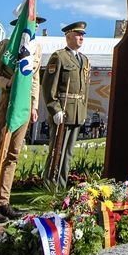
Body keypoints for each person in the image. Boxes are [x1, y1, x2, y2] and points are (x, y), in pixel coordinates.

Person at [0, 16, 43, 223]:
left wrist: (34, 105)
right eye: (32, 24)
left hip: (24, 104)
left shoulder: (36, 48)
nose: (34, 27)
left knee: (13, 154)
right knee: (0, 151)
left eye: (37, 24)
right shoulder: (8, 45)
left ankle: (4, 201)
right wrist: (8, 84)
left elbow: (34, 79)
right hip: (8, 101)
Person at [42, 21, 92, 190]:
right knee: (57, 151)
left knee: (68, 153)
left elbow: (85, 88)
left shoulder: (84, 60)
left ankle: (61, 187)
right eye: (78, 34)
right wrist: (54, 108)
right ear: (68, 36)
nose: (81, 38)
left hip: (76, 112)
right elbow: (49, 86)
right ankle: (50, 187)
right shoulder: (59, 56)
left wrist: (83, 110)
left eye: (82, 35)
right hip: (63, 111)